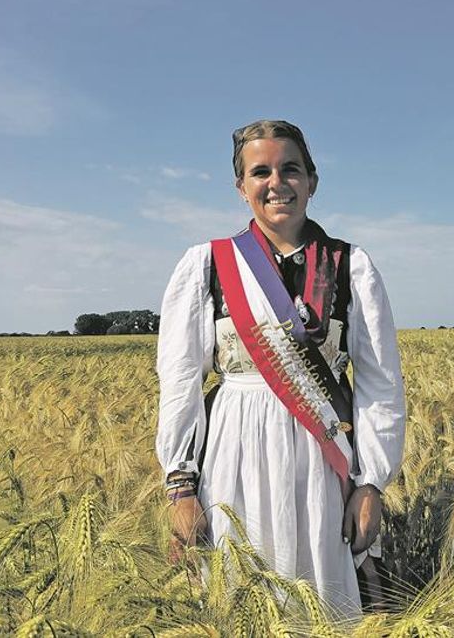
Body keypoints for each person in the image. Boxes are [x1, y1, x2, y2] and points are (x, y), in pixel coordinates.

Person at [155, 119, 405, 616]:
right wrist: (181, 484)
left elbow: (381, 385)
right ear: (241, 186)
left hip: (323, 456)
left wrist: (372, 481)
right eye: (260, 171)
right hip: (234, 454)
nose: (277, 183)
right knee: (240, 589)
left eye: (290, 169)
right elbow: (180, 381)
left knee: (322, 594)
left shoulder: (351, 266)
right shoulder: (207, 264)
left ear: (312, 180)